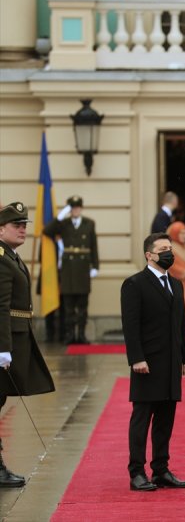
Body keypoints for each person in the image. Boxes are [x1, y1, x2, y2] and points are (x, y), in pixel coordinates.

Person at [121, 232, 185, 492]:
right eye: (163, 248)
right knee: (142, 419)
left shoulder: (176, 284)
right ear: (149, 255)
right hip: (147, 364)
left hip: (171, 363)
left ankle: (161, 470)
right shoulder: (135, 284)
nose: (169, 253)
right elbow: (130, 327)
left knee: (166, 420)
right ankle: (137, 472)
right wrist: (136, 359)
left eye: (170, 248)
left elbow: (182, 324)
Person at [0, 202, 55, 487]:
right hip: (6, 339)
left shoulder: (11, 256)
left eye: (24, 225)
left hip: (16, 337)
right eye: (16, 226)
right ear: (0, 230)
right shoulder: (1, 258)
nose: (23, 230)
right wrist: (2, 348)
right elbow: (0, 306)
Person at [43, 195, 99, 344]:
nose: (75, 210)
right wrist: (60, 217)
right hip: (67, 269)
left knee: (82, 305)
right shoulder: (63, 223)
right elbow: (47, 231)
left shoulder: (89, 223)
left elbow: (93, 246)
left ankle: (81, 334)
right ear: (69, 209)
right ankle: (69, 335)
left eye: (77, 207)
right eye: (72, 208)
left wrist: (95, 266)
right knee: (68, 306)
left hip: (82, 268)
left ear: (81, 208)